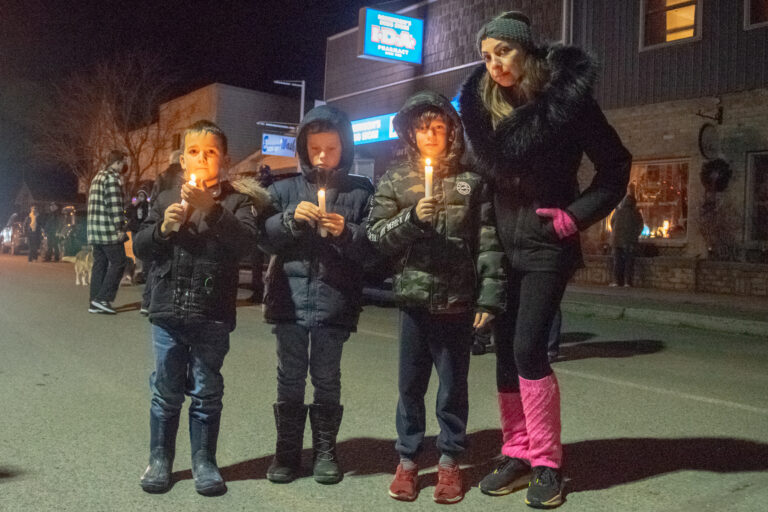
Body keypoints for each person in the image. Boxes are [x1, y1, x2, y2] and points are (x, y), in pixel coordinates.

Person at [459, 11, 631, 508]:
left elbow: (616, 166)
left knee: (530, 347)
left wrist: (573, 218)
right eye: (486, 56)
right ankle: (515, 451)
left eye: (504, 52)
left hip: (546, 246)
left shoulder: (568, 102)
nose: (494, 64)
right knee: (505, 346)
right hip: (501, 244)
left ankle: (546, 463)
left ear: (526, 50)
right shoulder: (486, 106)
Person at [366, 91, 506, 504]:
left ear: (452, 132)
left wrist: (489, 298)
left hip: (458, 302)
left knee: (452, 387)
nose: (431, 134)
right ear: (411, 133)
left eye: (439, 127)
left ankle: (448, 460)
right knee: (410, 386)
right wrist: (411, 219)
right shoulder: (395, 180)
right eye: (423, 128)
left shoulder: (471, 181)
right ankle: (408, 460)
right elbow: (376, 237)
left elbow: (488, 241)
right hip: (413, 299)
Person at [134, 120, 268, 495]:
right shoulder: (163, 197)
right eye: (194, 151)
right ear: (182, 158)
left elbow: (244, 245)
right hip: (167, 310)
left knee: (207, 389)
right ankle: (159, 459)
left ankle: (204, 461)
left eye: (211, 152)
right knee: (166, 388)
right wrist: (162, 229)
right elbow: (142, 247)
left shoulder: (236, 201)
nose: (202, 158)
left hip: (212, 312)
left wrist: (212, 210)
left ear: (223, 159)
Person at [260, 105, 374, 485]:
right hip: (288, 300)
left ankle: (326, 450)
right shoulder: (282, 188)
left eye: (332, 148)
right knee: (289, 376)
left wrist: (347, 232)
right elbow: (263, 239)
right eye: (315, 149)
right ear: (304, 149)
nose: (323, 156)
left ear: (346, 148)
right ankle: (287, 452)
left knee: (326, 377)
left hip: (335, 301)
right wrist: (290, 220)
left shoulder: (360, 192)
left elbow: (373, 250)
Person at [86, 150, 129, 314]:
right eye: (123, 162)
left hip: (95, 231)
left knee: (100, 264)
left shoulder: (97, 177)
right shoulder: (112, 179)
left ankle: (94, 301)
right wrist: (120, 227)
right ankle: (103, 298)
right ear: (118, 162)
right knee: (119, 262)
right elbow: (115, 206)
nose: (124, 166)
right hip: (108, 231)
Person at [141, 150, 184, 315]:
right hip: (180, 215)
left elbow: (153, 199)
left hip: (163, 219)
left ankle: (147, 301)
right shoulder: (183, 176)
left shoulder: (162, 176)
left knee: (158, 263)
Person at [610, 195, 644, 287]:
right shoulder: (636, 213)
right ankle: (627, 282)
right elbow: (640, 226)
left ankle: (617, 281)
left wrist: (615, 234)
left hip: (616, 240)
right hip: (630, 241)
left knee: (617, 261)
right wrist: (635, 235)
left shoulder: (617, 212)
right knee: (629, 262)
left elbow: (612, 223)